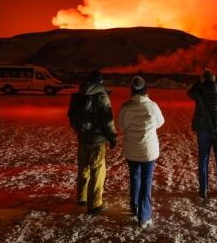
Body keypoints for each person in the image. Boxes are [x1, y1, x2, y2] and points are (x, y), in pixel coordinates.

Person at [118, 76, 165, 229]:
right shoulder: (152, 106)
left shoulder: (126, 107)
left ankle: (134, 206)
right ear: (145, 90)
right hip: (148, 151)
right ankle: (144, 217)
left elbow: (121, 125)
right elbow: (160, 122)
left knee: (135, 177)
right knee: (146, 182)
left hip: (131, 150)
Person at [67, 71, 117, 214]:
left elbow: (72, 116)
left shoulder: (80, 94)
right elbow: (108, 120)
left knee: (83, 168)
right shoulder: (102, 96)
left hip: (82, 138)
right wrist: (112, 137)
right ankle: (94, 204)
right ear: (100, 82)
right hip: (97, 139)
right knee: (97, 171)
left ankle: (82, 197)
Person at [188, 68, 217, 200]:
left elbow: (190, 92)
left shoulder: (199, 92)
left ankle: (203, 190)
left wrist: (199, 82)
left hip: (203, 130)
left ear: (204, 80)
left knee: (203, 159)